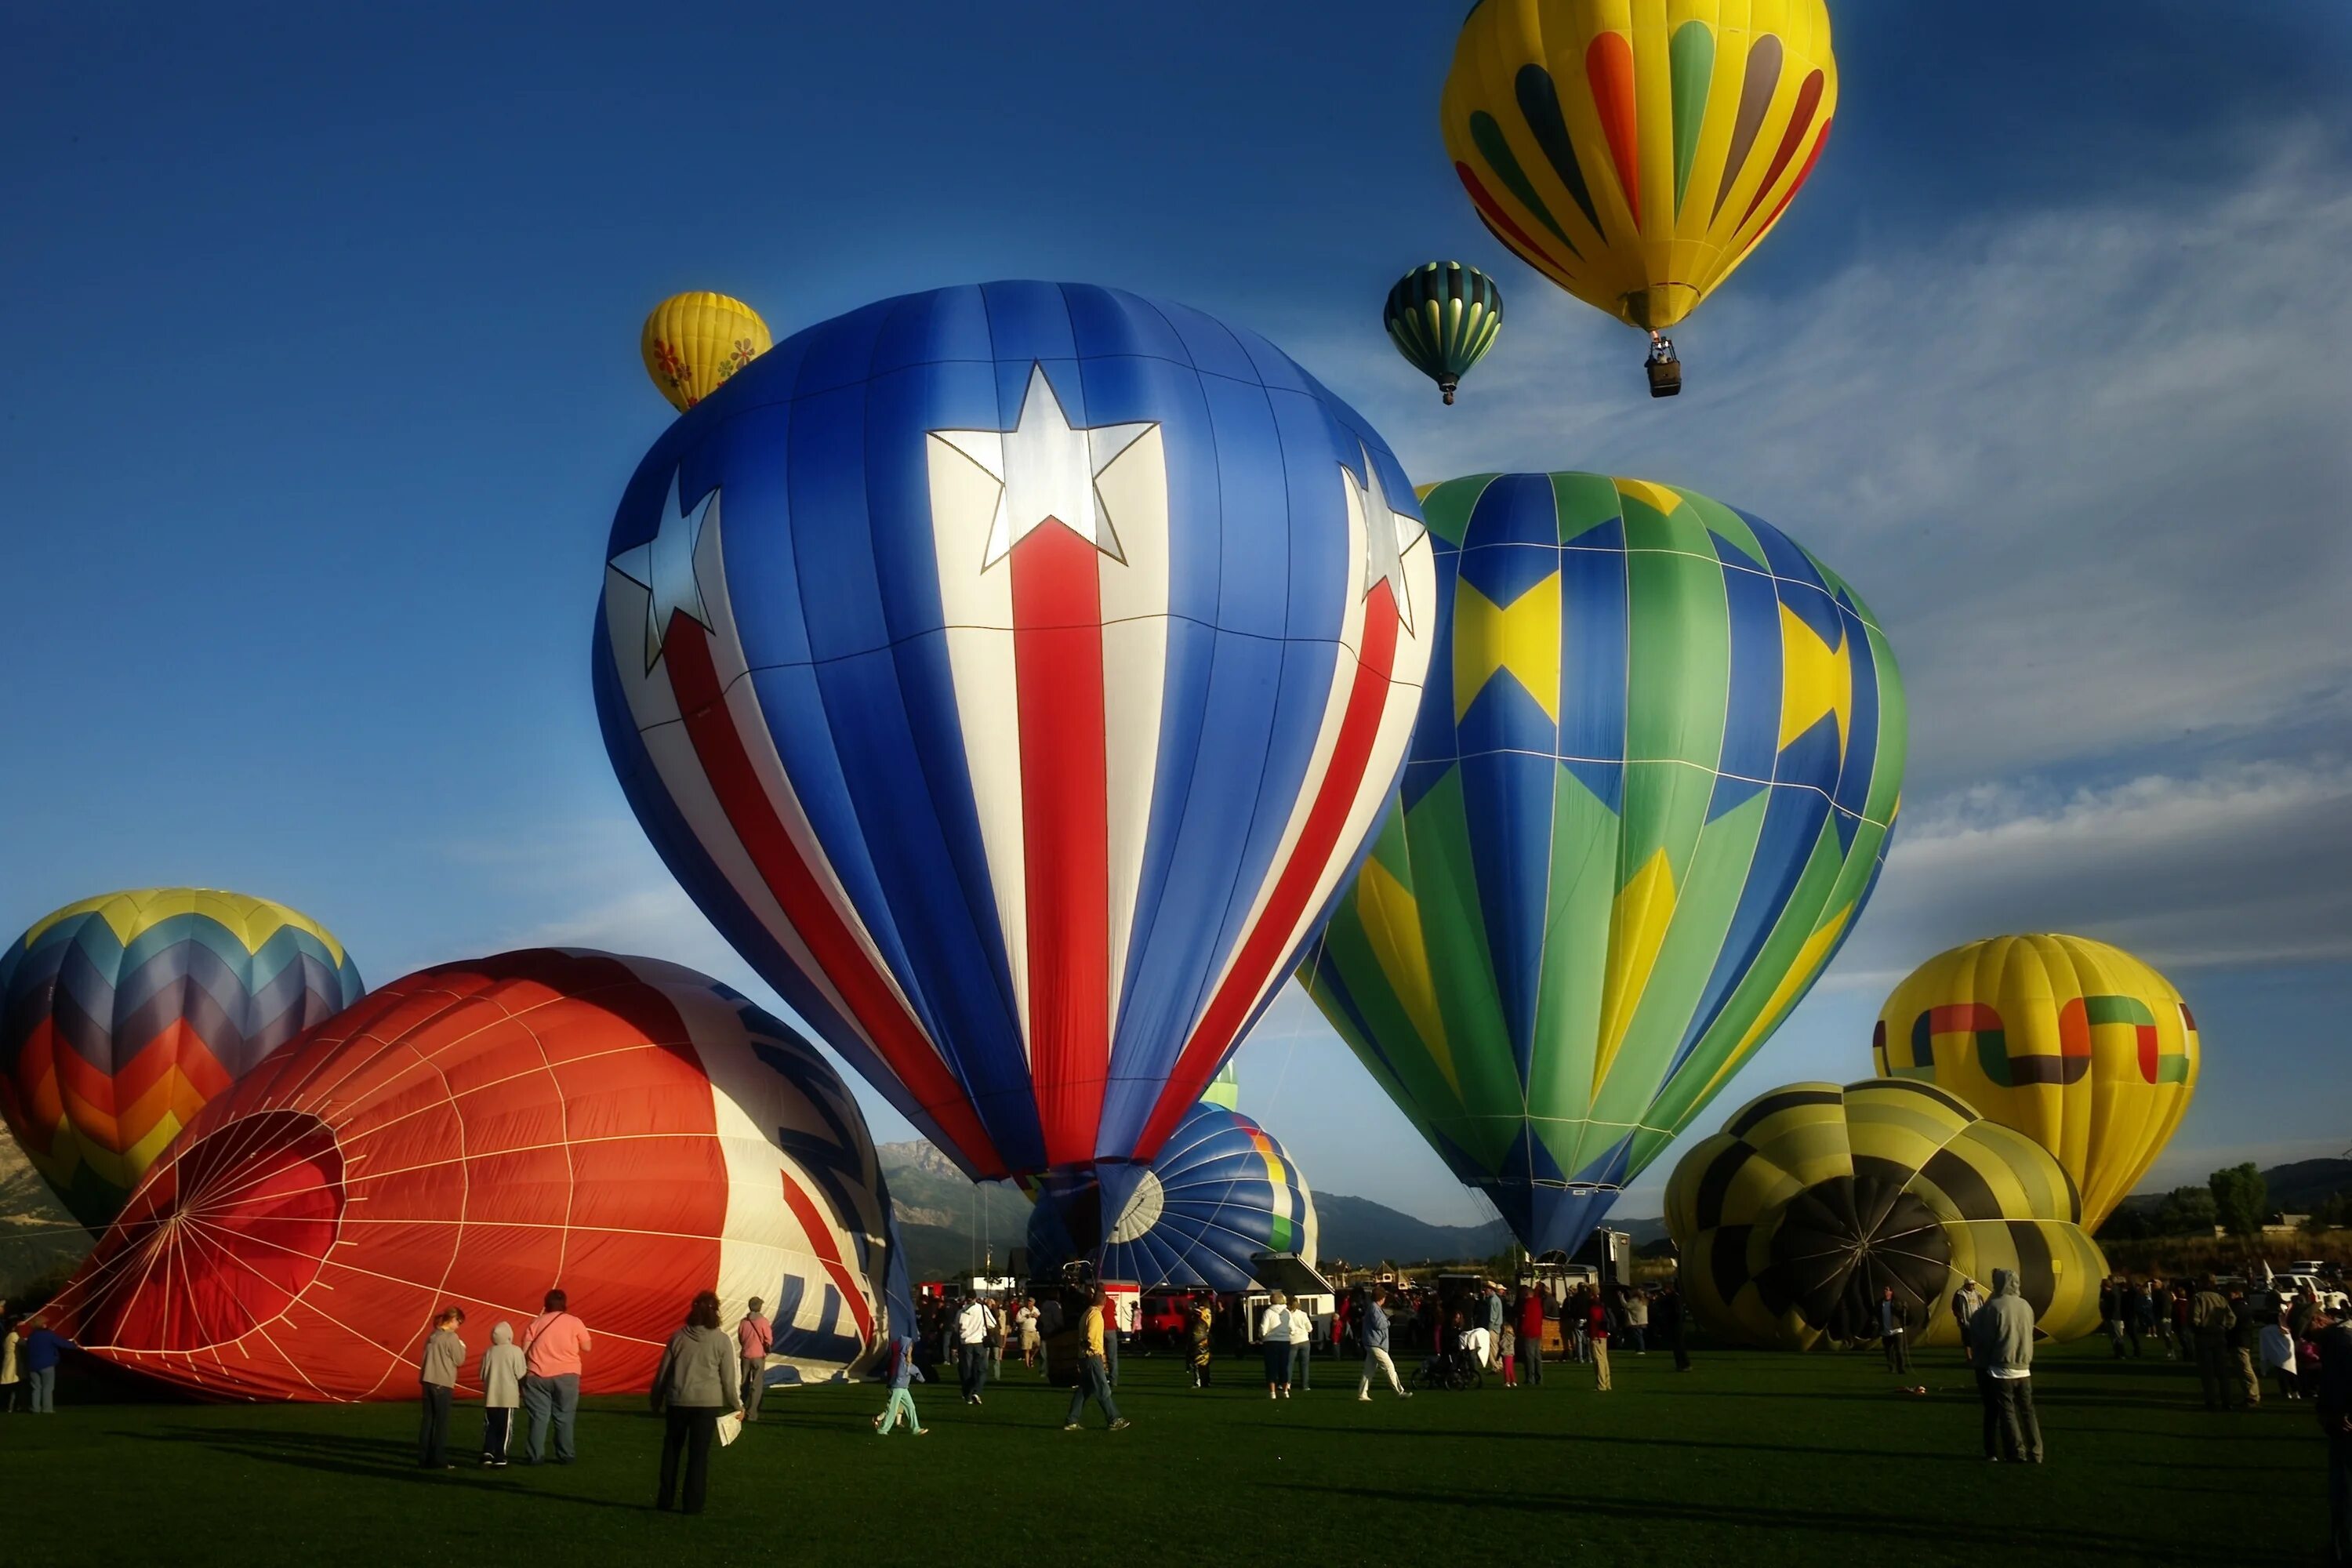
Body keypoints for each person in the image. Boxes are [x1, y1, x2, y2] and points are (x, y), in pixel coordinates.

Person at [649, 1290, 742, 1515]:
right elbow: (729, 1378)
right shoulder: (721, 1340)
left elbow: (663, 1372)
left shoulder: (678, 1337)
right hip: (707, 1404)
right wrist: (737, 1405)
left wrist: (656, 1398)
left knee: (672, 1451)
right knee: (698, 1455)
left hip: (678, 1400)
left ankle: (665, 1499)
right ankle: (693, 1504)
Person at [1972, 1269, 2042, 1463]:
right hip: (2024, 1368)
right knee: (2028, 1411)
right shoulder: (2026, 1306)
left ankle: (2016, 1452)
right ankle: (2036, 1452)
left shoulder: (1994, 1307)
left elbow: (1986, 1338)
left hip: (2002, 1368)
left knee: (2007, 1412)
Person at [521, 1287, 593, 1464]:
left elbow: (524, 1351)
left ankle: (535, 1456)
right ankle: (565, 1455)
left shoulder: (536, 1322)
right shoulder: (575, 1322)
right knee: (565, 1416)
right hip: (567, 1374)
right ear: (564, 1304)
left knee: (539, 1416)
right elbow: (587, 1347)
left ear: (546, 1305)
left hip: (537, 1374)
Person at [2310, 1305, 2352, 1564]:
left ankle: (2343, 1552)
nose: (2308, 1339)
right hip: (2341, 1422)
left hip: (2345, 1429)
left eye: (2308, 1331)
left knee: (2344, 1493)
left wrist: (2342, 1414)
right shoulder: (2339, 1336)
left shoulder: (2340, 1340)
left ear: (2319, 1320)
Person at [1062, 1287, 1130, 1432]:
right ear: (1104, 1302)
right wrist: (1097, 1352)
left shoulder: (1086, 1313)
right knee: (1103, 1389)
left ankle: (1071, 1420)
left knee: (1084, 1390)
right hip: (1092, 1357)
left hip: (1083, 1357)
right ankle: (1114, 1418)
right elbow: (1092, 1337)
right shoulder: (1096, 1315)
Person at [418, 1308, 465, 1470]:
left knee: (428, 1422)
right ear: (453, 1319)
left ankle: (424, 1458)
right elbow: (459, 1360)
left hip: (427, 1381)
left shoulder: (433, 1335)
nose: (459, 1326)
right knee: (441, 1423)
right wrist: (462, 1347)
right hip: (442, 1382)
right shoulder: (451, 1337)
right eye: (459, 1322)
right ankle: (438, 1459)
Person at [478, 1321, 526, 1467]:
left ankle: (488, 1451)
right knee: (505, 1427)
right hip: (508, 1397)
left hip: (491, 1396)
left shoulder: (489, 1352)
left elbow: (482, 1375)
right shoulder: (515, 1351)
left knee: (490, 1425)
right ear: (510, 1336)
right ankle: (500, 1455)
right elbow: (521, 1374)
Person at [2190, 1276, 2241, 1410]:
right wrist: (2225, 1327)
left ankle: (2211, 1401)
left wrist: (2198, 1327)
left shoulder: (2198, 1297)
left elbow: (2195, 1317)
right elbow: (2232, 1318)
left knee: (2207, 1372)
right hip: (2219, 1335)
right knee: (2223, 1372)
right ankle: (2227, 1401)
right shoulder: (2220, 1298)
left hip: (2204, 1336)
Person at [1356, 1287, 1411, 1400]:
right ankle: (1400, 1392)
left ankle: (1362, 1394)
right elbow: (1380, 1325)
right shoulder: (1375, 1309)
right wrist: (1390, 1322)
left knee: (1368, 1371)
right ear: (1382, 1298)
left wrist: (1387, 1320)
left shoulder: (1374, 1308)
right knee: (1389, 1367)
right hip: (1376, 1344)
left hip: (1373, 1343)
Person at [873, 1330, 927, 1437]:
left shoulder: (903, 1359)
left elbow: (911, 1369)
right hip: (897, 1388)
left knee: (911, 1407)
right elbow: (911, 1369)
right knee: (892, 1410)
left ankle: (915, 1428)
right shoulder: (903, 1361)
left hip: (902, 1388)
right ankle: (882, 1429)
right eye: (910, 1347)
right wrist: (920, 1377)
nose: (911, 1348)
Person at [736, 1297, 773, 1423]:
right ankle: (752, 1413)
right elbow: (768, 1339)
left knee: (744, 1384)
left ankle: (740, 1409)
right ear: (759, 1307)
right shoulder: (763, 1321)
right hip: (758, 1356)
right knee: (756, 1386)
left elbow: (741, 1338)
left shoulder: (743, 1322)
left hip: (745, 1355)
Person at [2229, 1287, 2267, 1409]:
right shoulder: (2244, 1306)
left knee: (2245, 1369)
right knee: (2243, 1369)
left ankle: (2253, 1395)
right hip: (2243, 1340)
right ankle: (2250, 1395)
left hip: (2240, 1341)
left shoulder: (2237, 1307)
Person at [956, 1294, 996, 1405]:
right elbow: (992, 1323)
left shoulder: (961, 1312)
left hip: (965, 1343)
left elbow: (956, 1327)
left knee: (967, 1371)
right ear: (975, 1298)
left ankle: (967, 1395)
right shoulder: (982, 1308)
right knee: (981, 1370)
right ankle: (976, 1391)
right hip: (979, 1342)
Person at [1260, 1290, 1295, 1399]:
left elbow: (1263, 1328)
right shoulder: (1287, 1312)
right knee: (1283, 1366)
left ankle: (1272, 1392)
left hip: (1270, 1342)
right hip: (1284, 1341)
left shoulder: (1268, 1312)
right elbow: (1292, 1328)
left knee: (1271, 1367)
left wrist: (1263, 1336)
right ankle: (1285, 1391)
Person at [2263, 1314, 2302, 1401]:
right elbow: (2290, 1342)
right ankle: (2295, 1392)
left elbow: (2264, 1344)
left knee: (2282, 1375)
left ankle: (2286, 1392)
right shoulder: (2285, 1330)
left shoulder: (2265, 1331)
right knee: (2291, 1374)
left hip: (2276, 1356)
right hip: (2287, 1354)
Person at [1516, 1287, 1547, 1386]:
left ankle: (1530, 1378)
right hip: (1537, 1331)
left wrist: (1522, 1331)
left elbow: (1526, 1321)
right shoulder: (1538, 1304)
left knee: (1529, 1356)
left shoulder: (1527, 1305)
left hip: (1529, 1333)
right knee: (1537, 1355)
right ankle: (1539, 1377)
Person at [1951, 1278, 1984, 1366]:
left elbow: (1982, 1305)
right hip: (1965, 1321)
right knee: (1967, 1340)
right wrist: (1960, 1317)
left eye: (1973, 1285)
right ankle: (1969, 1358)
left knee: (1977, 1340)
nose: (1973, 1286)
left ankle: (1976, 1357)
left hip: (1977, 1321)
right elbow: (1955, 1307)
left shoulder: (1978, 1294)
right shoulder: (1960, 1294)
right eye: (1971, 1284)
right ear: (1966, 1285)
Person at [1880, 1287, 1913, 1375]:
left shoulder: (1896, 1303)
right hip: (1885, 1332)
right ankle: (1891, 1368)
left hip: (1897, 1330)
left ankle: (1901, 1369)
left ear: (1891, 1292)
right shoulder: (1880, 1304)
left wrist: (1905, 1308)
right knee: (1888, 1352)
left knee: (1899, 1351)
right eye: (1885, 1290)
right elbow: (1876, 1314)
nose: (1885, 1291)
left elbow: (1903, 1314)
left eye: (1887, 1290)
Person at [1287, 1292, 1316, 1392]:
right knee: (1304, 1364)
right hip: (1304, 1340)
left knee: (1289, 1364)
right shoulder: (1303, 1314)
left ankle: (1288, 1384)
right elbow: (1310, 1328)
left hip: (1292, 1341)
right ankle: (1305, 1385)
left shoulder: (1287, 1315)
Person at [2101, 1278, 2130, 1359]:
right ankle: (2118, 1353)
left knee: (2117, 1336)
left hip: (2114, 1317)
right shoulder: (2109, 1293)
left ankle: (2122, 1354)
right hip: (2111, 1317)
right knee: (2114, 1337)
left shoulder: (2114, 1293)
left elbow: (2115, 1306)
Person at [1188, 1299, 1214, 1388]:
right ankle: (1206, 1381)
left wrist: (1191, 1308)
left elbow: (1195, 1312)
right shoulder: (1209, 1312)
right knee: (1205, 1362)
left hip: (1198, 1337)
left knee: (1196, 1361)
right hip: (1205, 1338)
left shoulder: (1202, 1311)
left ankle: (1197, 1381)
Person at [1589, 1296, 1612, 1392]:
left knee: (1599, 1361)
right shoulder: (1601, 1307)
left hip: (1597, 1336)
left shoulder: (1594, 1309)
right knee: (1604, 1359)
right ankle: (1607, 1383)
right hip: (1603, 1336)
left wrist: (1594, 1335)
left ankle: (1601, 1385)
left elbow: (1595, 1323)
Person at [1, 1316, 19, 1412]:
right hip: (12, 1362)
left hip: (7, 1361)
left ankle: (10, 1407)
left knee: (9, 1386)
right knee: (13, 1387)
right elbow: (22, 1343)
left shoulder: (7, 1337)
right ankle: (11, 1407)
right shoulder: (14, 1335)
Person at [1018, 1298, 1041, 1370]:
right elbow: (1018, 1320)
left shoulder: (1036, 1310)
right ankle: (1027, 1365)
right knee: (1027, 1349)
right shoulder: (1022, 1310)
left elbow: (1041, 1319)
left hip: (1034, 1330)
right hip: (1025, 1330)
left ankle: (1032, 1357)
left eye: (1031, 1302)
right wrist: (1026, 1317)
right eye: (1028, 1302)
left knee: (1038, 1345)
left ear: (1033, 1303)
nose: (1029, 1303)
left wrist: (1037, 1317)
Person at [1624, 1288, 1650, 1356]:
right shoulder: (1644, 1301)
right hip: (1643, 1321)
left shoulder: (1635, 1301)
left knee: (1638, 1336)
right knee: (1640, 1335)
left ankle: (1641, 1349)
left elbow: (1626, 1306)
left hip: (1637, 1322)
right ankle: (1640, 1349)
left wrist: (1621, 1298)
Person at [1499, 1321, 1519, 1388]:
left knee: (1506, 1369)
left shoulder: (1506, 1337)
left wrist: (1500, 1342)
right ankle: (1513, 1381)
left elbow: (1503, 1345)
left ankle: (1507, 1381)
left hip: (1506, 1354)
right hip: (1511, 1354)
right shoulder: (1512, 1337)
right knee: (1511, 1369)